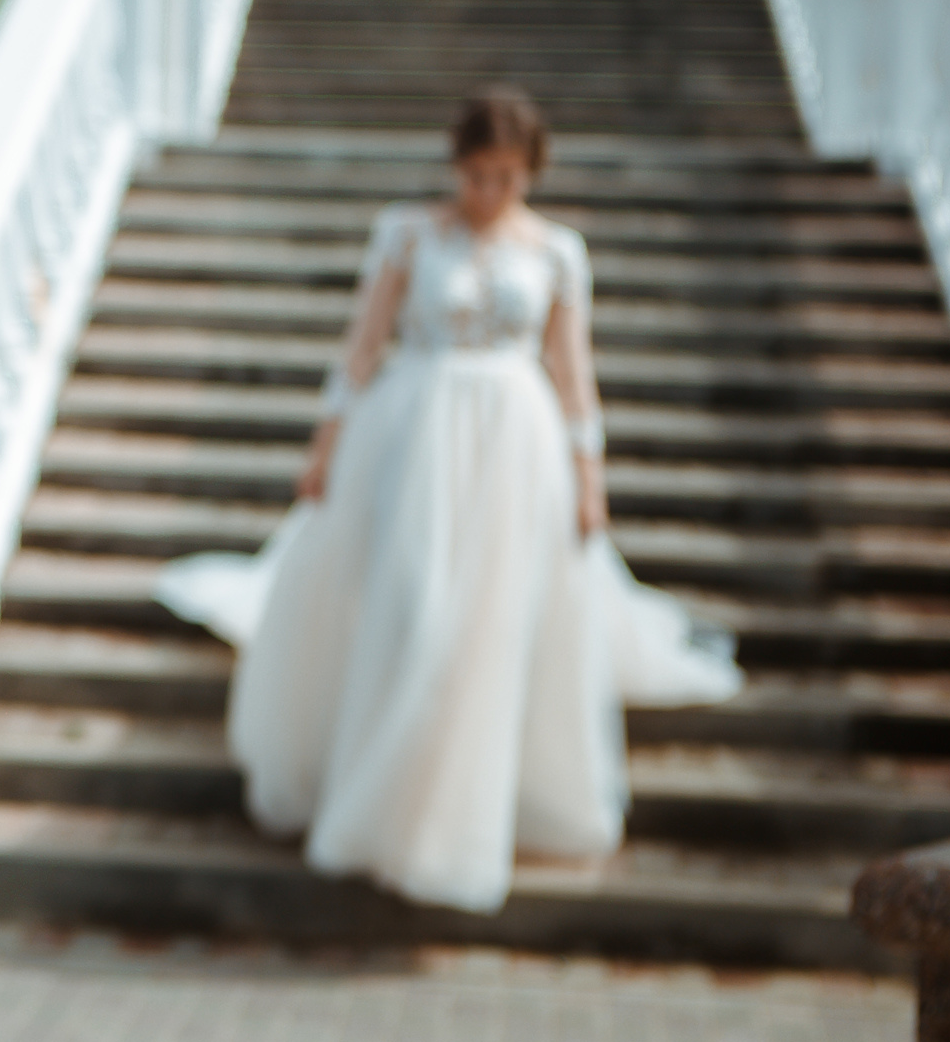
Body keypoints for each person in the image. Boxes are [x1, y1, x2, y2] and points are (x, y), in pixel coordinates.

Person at [152, 87, 740, 915]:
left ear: (529, 173)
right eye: (474, 174)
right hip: (413, 435)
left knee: (489, 627)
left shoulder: (557, 252)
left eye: (505, 177)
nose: (487, 192)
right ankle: (380, 800)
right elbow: (361, 348)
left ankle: (456, 818)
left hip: (516, 449)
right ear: (455, 166)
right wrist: (323, 449)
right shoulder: (407, 233)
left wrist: (589, 479)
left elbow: (573, 374)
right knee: (412, 609)